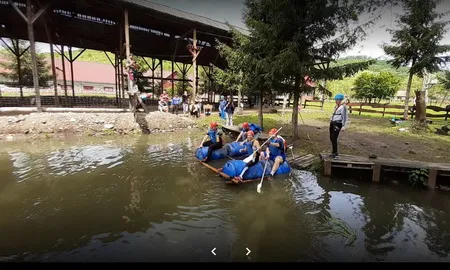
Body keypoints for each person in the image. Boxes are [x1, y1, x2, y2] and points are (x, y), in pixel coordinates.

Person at [329, 93, 349, 159]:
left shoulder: (343, 107)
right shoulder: (336, 106)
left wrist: (344, 126)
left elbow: (345, 117)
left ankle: (335, 153)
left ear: (340, 100)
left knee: (334, 138)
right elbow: (334, 114)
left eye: (337, 100)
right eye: (335, 100)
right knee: (331, 138)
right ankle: (333, 152)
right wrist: (331, 119)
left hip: (338, 124)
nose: (336, 101)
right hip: (332, 123)